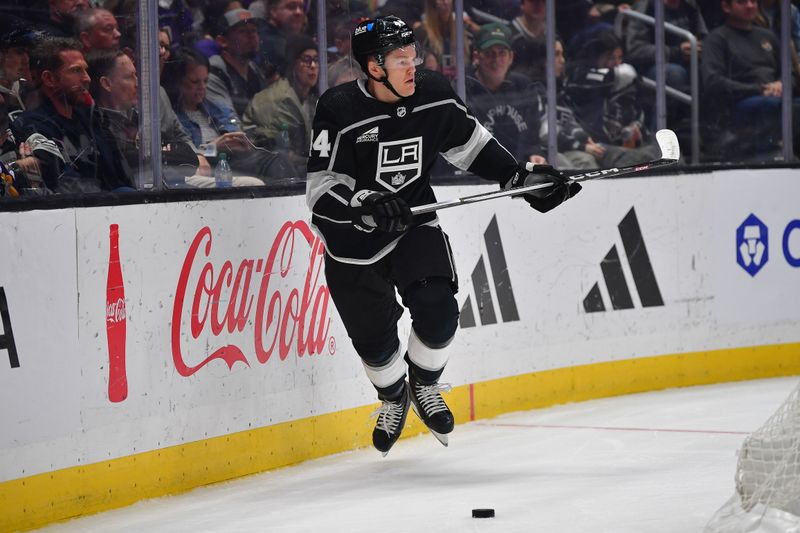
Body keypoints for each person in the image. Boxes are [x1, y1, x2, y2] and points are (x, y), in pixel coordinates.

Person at [306, 16, 581, 456]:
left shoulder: (432, 93)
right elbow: (321, 191)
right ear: (374, 67)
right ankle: (394, 397)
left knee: (438, 312)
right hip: (353, 247)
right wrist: (364, 203)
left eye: (413, 56)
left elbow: (471, 145)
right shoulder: (338, 109)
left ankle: (426, 384)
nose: (413, 65)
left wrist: (518, 177)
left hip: (415, 223)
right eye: (401, 60)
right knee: (375, 346)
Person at [11, 38, 133, 193]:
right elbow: (63, 186)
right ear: (49, 79)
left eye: (85, 70)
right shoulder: (31, 127)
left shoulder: (92, 119)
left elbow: (118, 175)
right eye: (76, 70)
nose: (87, 78)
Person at [161, 47, 292, 183]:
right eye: (195, 82)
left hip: (235, 160)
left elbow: (237, 135)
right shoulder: (173, 118)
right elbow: (185, 156)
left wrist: (241, 142)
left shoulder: (216, 108)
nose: (202, 87)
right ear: (177, 82)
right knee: (274, 163)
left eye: (205, 81)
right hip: (211, 168)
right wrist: (213, 147)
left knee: (278, 158)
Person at [701, 0, 800, 159]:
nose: (750, 6)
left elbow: (789, 73)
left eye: (753, 1)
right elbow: (713, 81)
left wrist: (782, 84)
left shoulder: (767, 36)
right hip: (740, 103)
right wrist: (759, 89)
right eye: (742, 2)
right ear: (726, 7)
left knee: (789, 106)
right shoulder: (717, 39)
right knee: (781, 107)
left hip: (775, 97)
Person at [464, 23, 546, 164]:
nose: (496, 60)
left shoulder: (524, 87)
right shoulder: (462, 88)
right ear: (476, 56)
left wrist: (534, 153)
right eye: (489, 53)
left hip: (519, 169)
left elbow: (532, 137)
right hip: (477, 171)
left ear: (511, 57)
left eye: (502, 53)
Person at [205, 3, 271, 117]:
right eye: (243, 31)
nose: (252, 36)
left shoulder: (255, 70)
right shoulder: (214, 74)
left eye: (254, 30)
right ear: (222, 41)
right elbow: (228, 122)